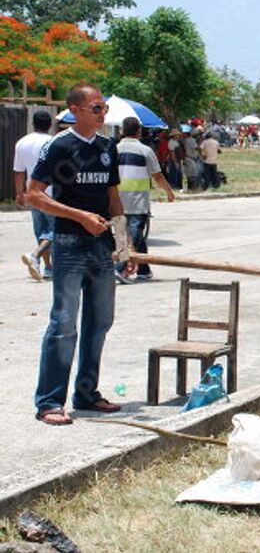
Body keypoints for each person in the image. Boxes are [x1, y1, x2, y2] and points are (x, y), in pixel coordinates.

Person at [26, 82, 131, 425]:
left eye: (104, 108)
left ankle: (87, 393)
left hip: (101, 247)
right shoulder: (60, 146)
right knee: (63, 323)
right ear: (76, 111)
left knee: (100, 321)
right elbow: (34, 195)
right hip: (69, 245)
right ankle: (49, 402)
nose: (103, 114)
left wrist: (123, 243)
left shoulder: (107, 147)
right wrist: (80, 217)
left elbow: (113, 195)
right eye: (97, 108)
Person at [114, 117, 176, 284]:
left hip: (116, 200)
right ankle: (120, 267)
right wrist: (169, 191)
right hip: (137, 200)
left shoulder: (113, 149)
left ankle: (143, 270)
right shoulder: (145, 151)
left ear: (122, 131)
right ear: (139, 132)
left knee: (123, 233)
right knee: (134, 234)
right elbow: (157, 175)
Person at [14, 110, 54, 281]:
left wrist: (19, 193)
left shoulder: (22, 143)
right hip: (53, 194)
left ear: (33, 123)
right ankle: (36, 255)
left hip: (33, 193)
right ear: (50, 125)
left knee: (41, 231)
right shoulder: (54, 142)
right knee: (56, 230)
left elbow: (18, 172)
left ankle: (47, 267)